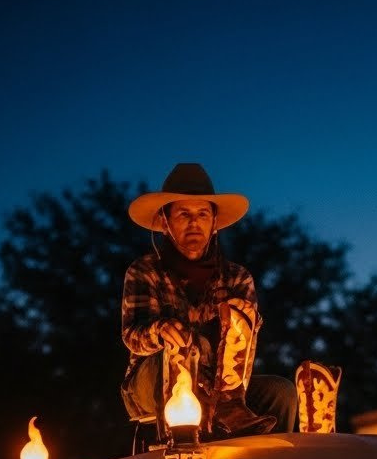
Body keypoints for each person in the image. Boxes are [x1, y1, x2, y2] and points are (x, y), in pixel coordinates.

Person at [121, 164, 296, 438]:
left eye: (202, 214)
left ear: (214, 224)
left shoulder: (237, 277)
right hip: (151, 378)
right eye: (183, 214)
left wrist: (246, 321)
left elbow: (244, 347)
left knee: (281, 391)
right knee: (170, 359)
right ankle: (177, 449)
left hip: (220, 387)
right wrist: (160, 330)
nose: (194, 222)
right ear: (165, 223)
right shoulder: (145, 271)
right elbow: (132, 335)